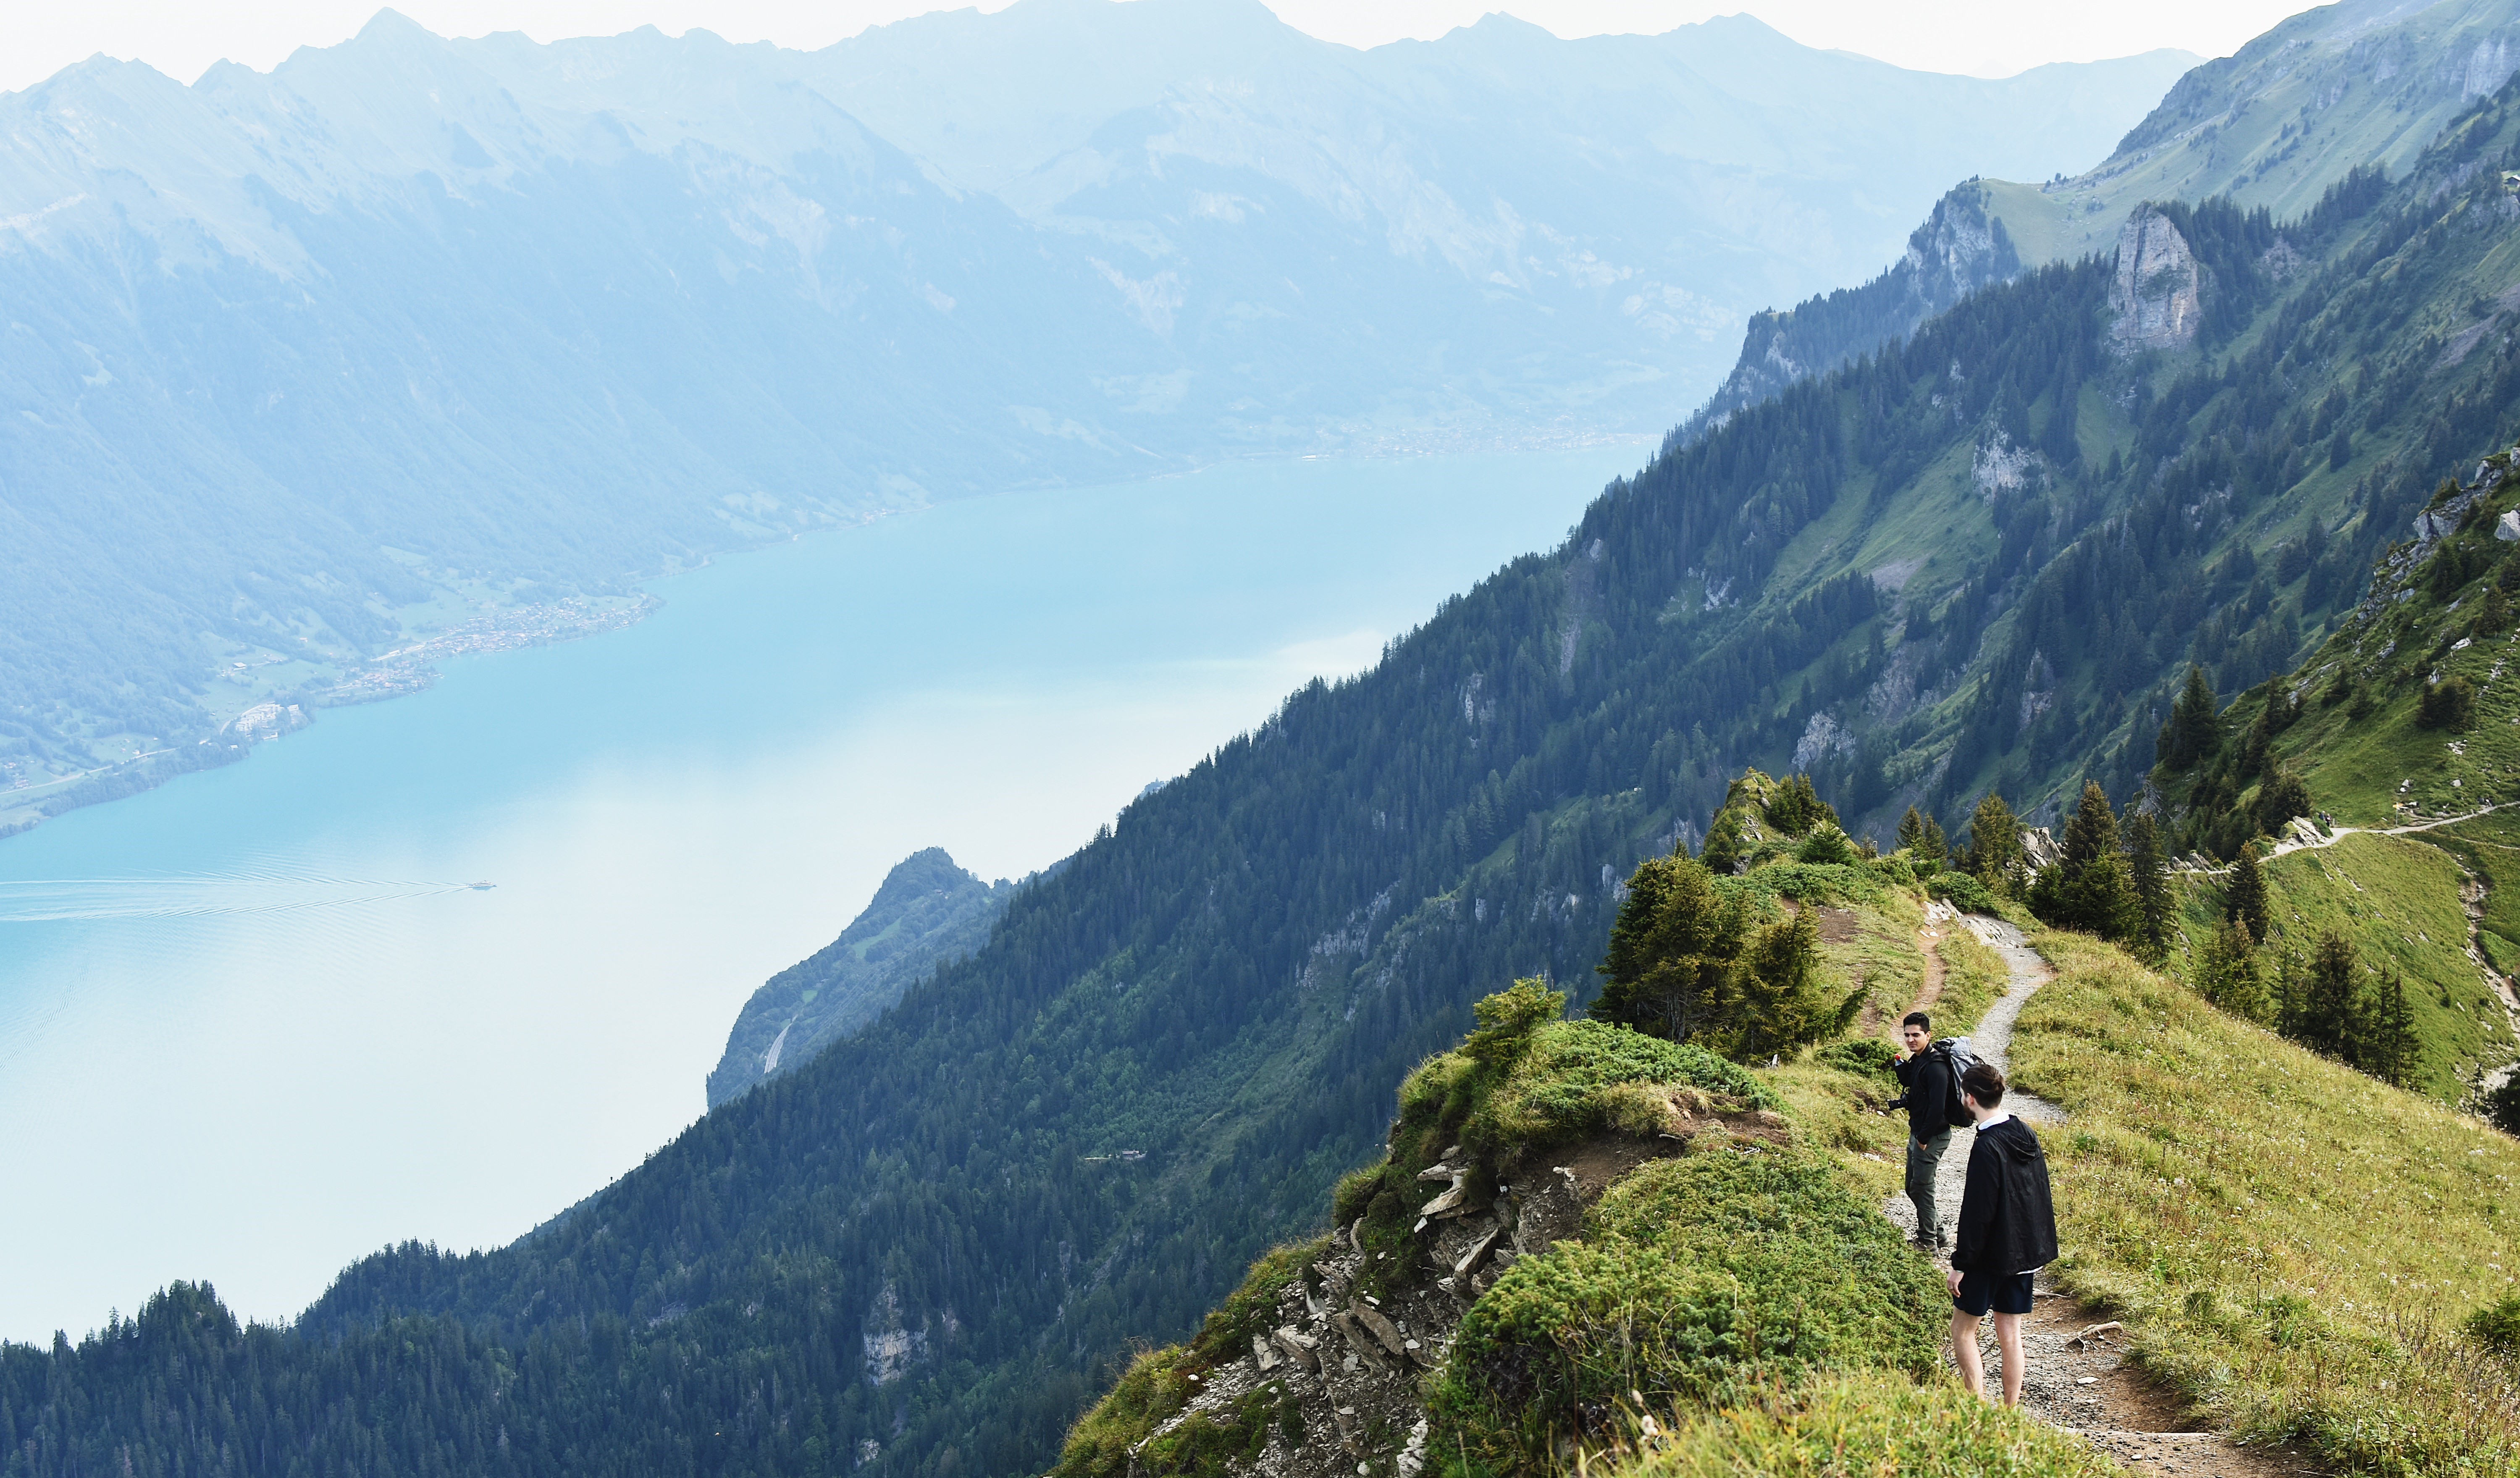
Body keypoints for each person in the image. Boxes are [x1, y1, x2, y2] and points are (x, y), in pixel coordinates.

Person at [1946, 1060, 2059, 1407]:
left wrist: (1960, 1263)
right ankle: (2009, 1412)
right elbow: (2038, 1191)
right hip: (2025, 1253)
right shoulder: (2025, 1131)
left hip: (1991, 1257)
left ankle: (1977, 1408)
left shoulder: (1986, 1145)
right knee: (2010, 1334)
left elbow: (1978, 1213)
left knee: (1963, 1330)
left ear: (1969, 1099)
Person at [1889, 1011, 1954, 1247]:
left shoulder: (1936, 1067)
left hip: (1933, 1135)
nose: (1910, 1040)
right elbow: (1914, 1087)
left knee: (1922, 1188)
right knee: (1912, 1187)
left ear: (1928, 1035)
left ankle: (1928, 1242)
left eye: (1916, 1035)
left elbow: (1937, 1108)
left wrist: (1924, 1138)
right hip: (1919, 1132)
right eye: (1906, 1035)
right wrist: (1900, 1066)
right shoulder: (1918, 1059)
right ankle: (1939, 1233)